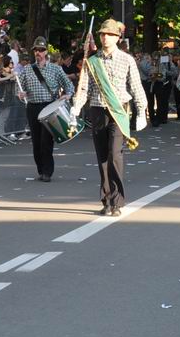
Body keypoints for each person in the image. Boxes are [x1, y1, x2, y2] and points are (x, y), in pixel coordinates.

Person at [71, 19, 148, 216]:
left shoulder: (127, 59)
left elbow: (136, 86)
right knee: (102, 158)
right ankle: (106, 201)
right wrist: (76, 106)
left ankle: (117, 199)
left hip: (118, 111)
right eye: (103, 34)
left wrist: (141, 111)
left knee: (114, 155)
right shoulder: (92, 61)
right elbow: (84, 88)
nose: (105, 37)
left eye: (110, 34)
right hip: (97, 110)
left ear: (117, 37)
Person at [17, 38, 72, 181]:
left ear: (46, 51)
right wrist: (20, 93)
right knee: (36, 142)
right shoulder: (27, 69)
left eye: (41, 50)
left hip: (49, 108)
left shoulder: (55, 69)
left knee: (46, 141)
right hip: (33, 107)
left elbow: (68, 85)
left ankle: (47, 171)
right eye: (36, 50)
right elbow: (19, 87)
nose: (38, 52)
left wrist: (68, 94)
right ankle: (41, 170)